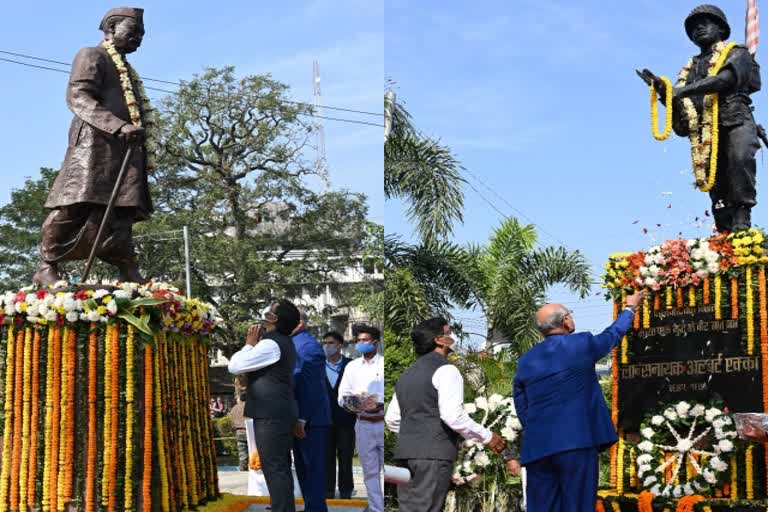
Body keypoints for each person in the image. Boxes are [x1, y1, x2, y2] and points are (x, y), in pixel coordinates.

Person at [34, 7, 153, 286]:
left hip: (126, 149)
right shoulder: (92, 54)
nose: (138, 38)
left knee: (122, 210)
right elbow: (79, 96)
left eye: (142, 34)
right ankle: (47, 265)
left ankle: (126, 268)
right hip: (94, 144)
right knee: (75, 203)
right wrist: (118, 125)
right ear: (111, 29)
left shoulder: (128, 69)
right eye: (133, 31)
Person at [513, 290, 646, 511]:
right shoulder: (580, 344)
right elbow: (611, 335)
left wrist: (537, 428)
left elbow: (521, 401)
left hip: (537, 447)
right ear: (565, 320)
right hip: (575, 444)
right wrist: (630, 308)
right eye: (570, 314)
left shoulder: (526, 360)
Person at [639, 4, 761, 232]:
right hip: (706, 127)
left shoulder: (737, 52)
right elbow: (682, 103)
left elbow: (725, 80)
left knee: (739, 159)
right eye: (694, 27)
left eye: (705, 23)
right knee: (714, 178)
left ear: (721, 29)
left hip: (736, 119)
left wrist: (681, 91)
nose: (699, 29)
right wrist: (662, 90)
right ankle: (724, 232)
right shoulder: (690, 68)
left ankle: (742, 217)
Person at [385, 317, 507, 512]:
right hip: (433, 455)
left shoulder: (406, 375)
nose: (454, 336)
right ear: (440, 340)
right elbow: (453, 416)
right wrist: (487, 436)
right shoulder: (446, 370)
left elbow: (392, 419)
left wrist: (415, 434)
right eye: (449, 333)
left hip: (404, 454)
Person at [228, 300, 302, 512]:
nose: (266, 313)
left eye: (271, 310)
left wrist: (249, 344)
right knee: (278, 466)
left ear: (273, 319)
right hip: (277, 412)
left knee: (274, 467)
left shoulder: (270, 344)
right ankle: (283, 506)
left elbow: (235, 365)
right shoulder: (281, 341)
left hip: (271, 414)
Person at [337, 325, 384, 512]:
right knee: (370, 472)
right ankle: (376, 508)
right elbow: (342, 397)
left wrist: (374, 401)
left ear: (375, 342)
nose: (361, 344)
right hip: (363, 424)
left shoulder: (383, 364)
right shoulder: (352, 366)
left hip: (383, 424)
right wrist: (365, 403)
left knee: (386, 469)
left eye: (365, 340)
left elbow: (384, 397)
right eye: (358, 340)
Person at [291, 311, 332, 512]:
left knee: (313, 471)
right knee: (303, 470)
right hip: (301, 418)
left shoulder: (307, 346)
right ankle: (311, 507)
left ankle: (315, 509)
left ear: (299, 323)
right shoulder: (293, 344)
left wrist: (301, 418)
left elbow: (311, 387)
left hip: (310, 420)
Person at [321, 331, 356, 500]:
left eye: (330, 343)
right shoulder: (318, 366)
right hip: (324, 420)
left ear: (339, 345)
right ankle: (327, 491)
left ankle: (345, 491)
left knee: (345, 457)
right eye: (324, 343)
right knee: (326, 458)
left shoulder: (351, 366)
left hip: (346, 420)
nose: (327, 346)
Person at [229, 391, 249, 471]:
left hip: (238, 431)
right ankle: (253, 465)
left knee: (242, 451)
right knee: (253, 449)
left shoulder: (234, 408)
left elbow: (231, 421)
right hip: (249, 430)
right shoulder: (250, 406)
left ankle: (243, 467)